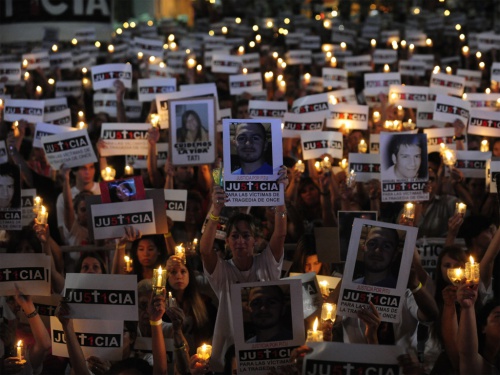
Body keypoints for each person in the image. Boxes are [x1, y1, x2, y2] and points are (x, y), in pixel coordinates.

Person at [199, 166, 288, 372]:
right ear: (227, 242)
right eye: (234, 236)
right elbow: (204, 250)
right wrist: (216, 210)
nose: (240, 241)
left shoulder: (267, 262)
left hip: (265, 352)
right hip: (229, 356)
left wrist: (280, 196)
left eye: (246, 235)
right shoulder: (222, 272)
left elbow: (280, 234)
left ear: (256, 241)